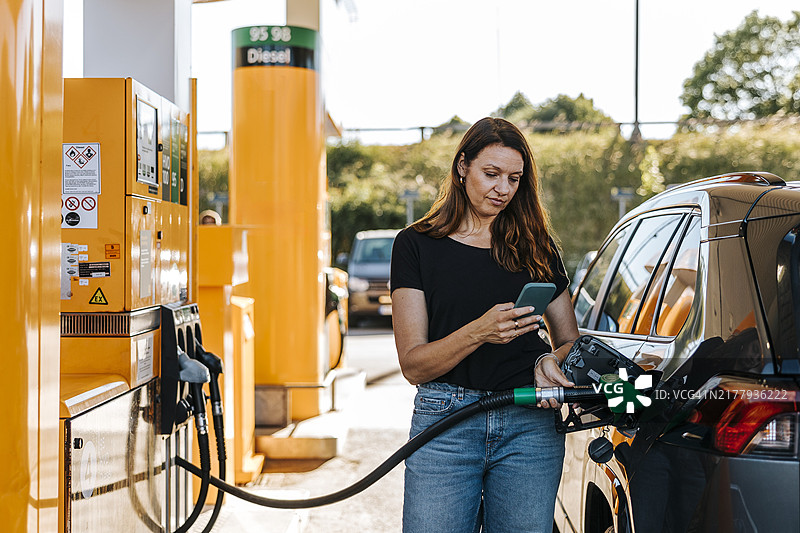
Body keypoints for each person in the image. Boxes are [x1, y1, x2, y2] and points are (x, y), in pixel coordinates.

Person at [390, 117, 580, 532]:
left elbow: (569, 340)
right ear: (462, 167)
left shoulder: (537, 246)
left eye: (514, 178)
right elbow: (414, 365)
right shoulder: (416, 245)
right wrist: (479, 331)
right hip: (446, 422)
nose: (503, 189)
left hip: (530, 424)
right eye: (491, 174)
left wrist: (551, 361)